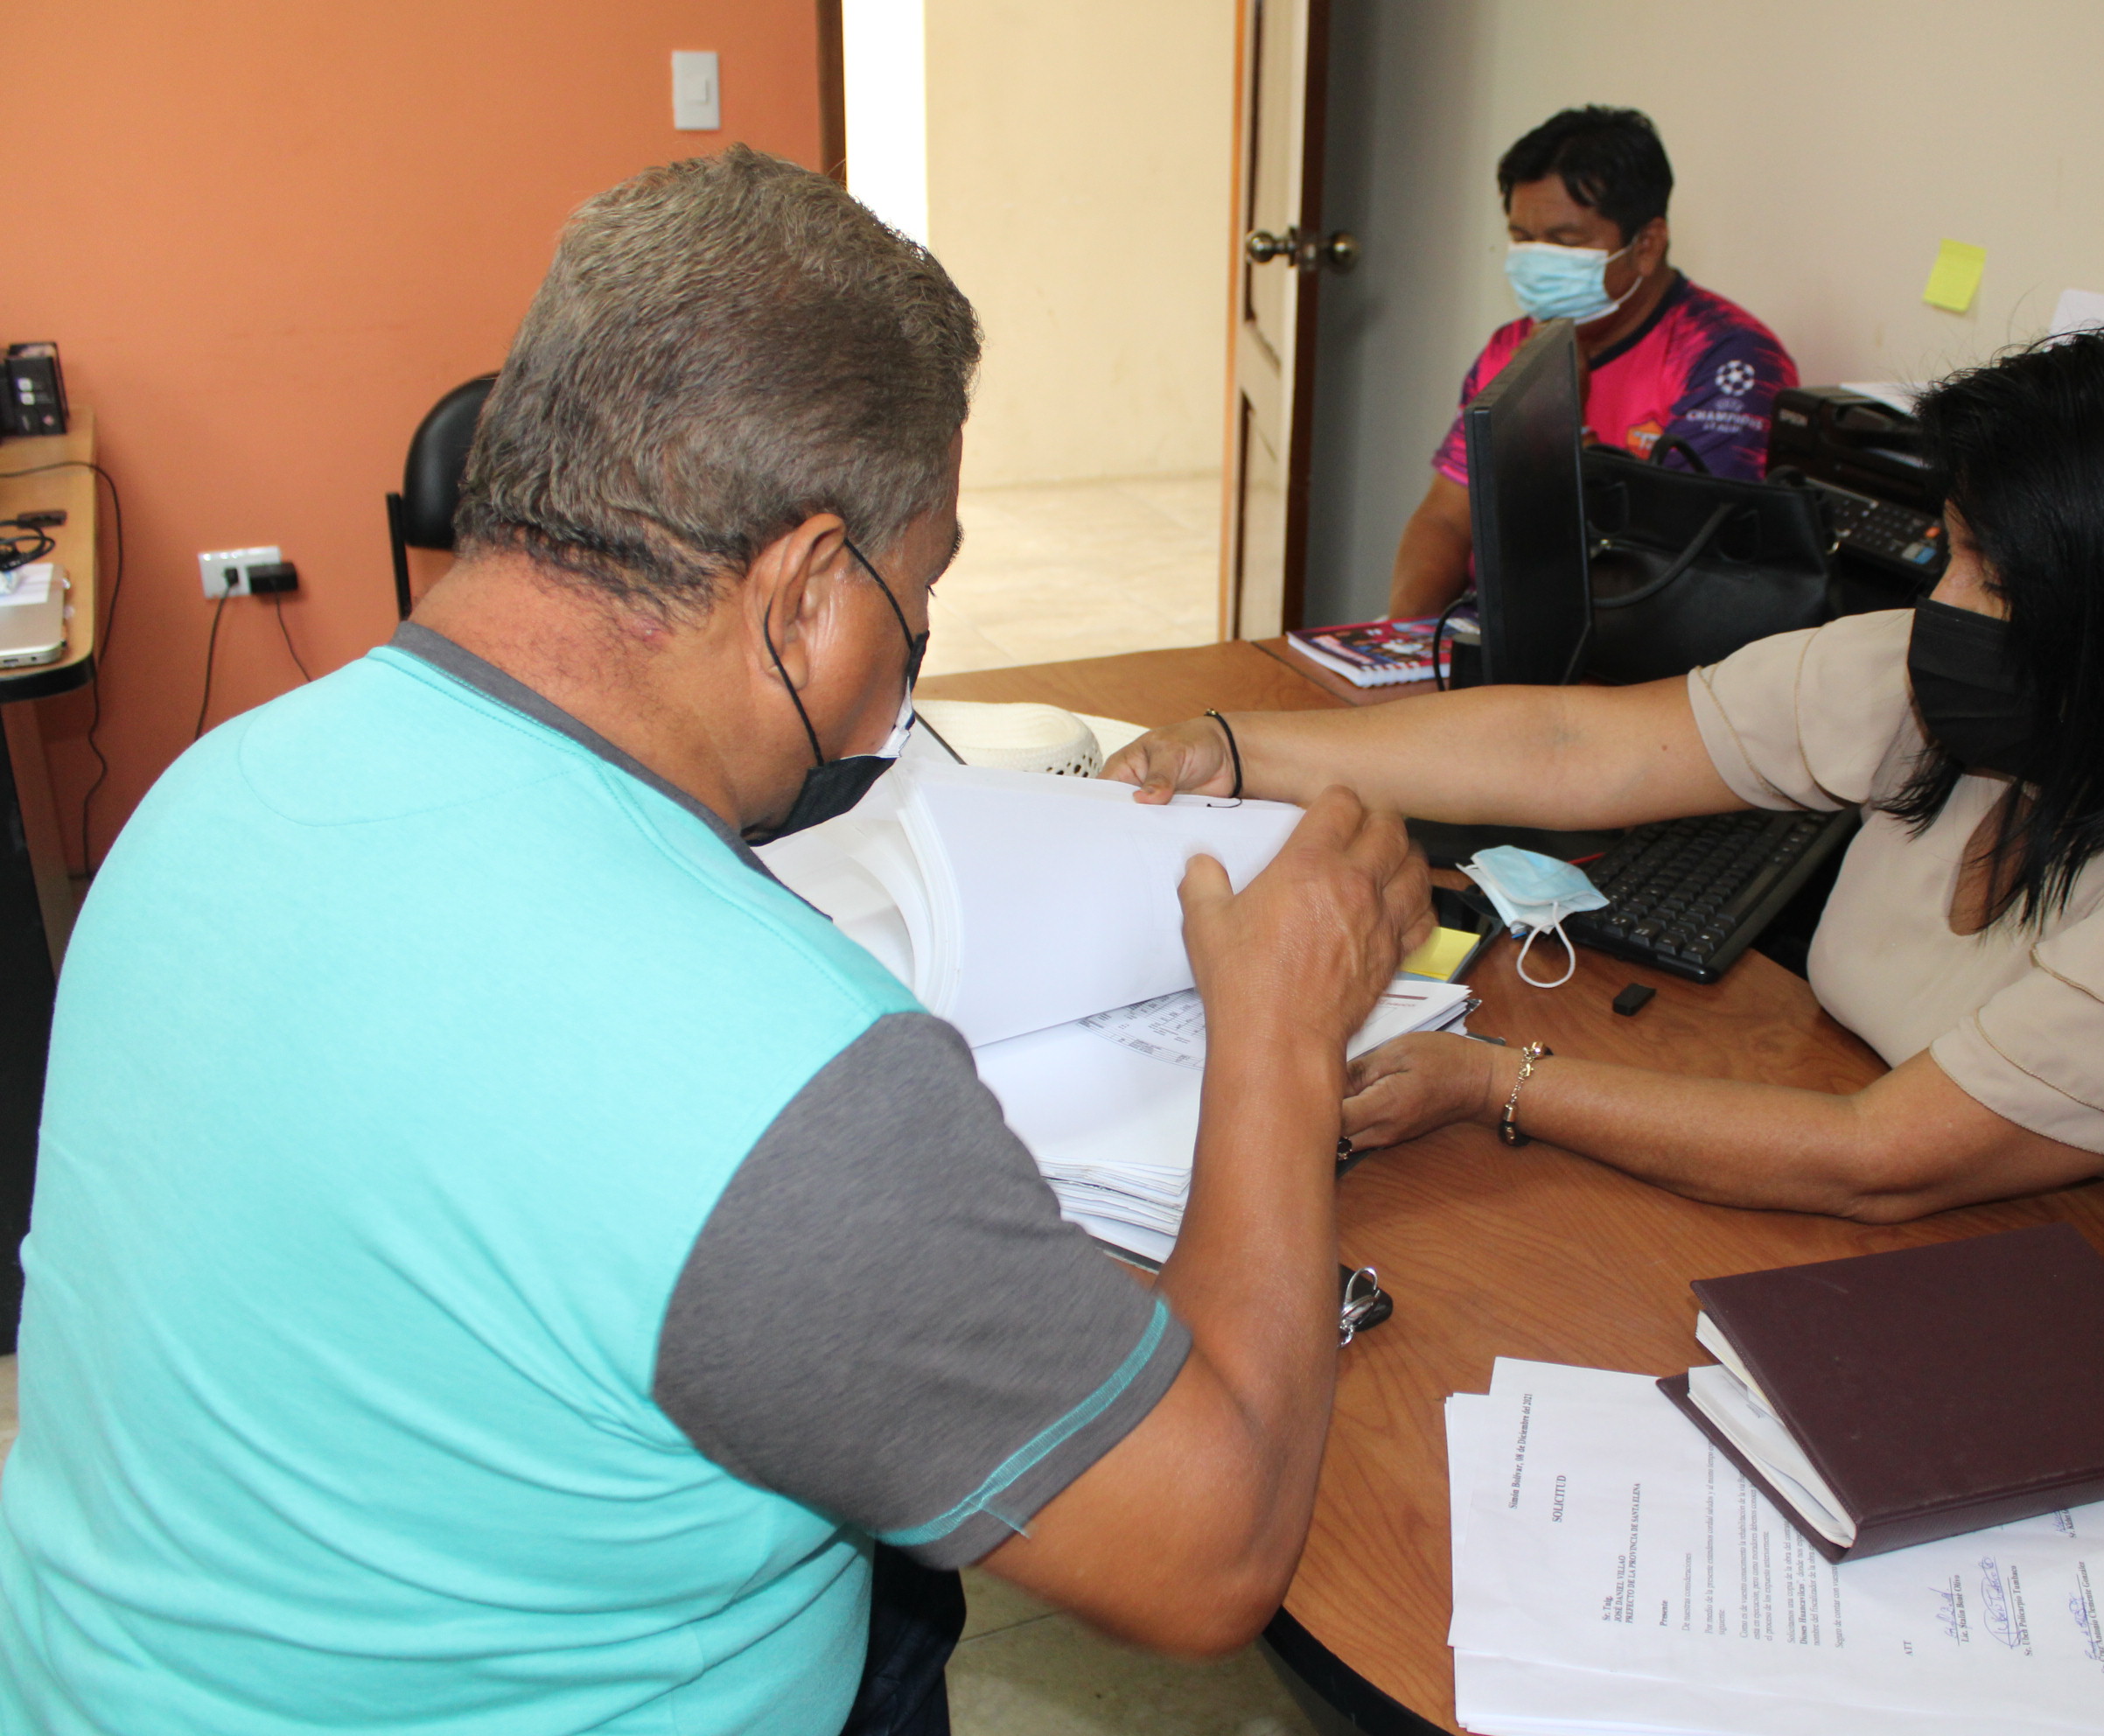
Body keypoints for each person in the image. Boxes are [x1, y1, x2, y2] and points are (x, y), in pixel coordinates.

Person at [0, 147, 1430, 1735]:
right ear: (806, 589)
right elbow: (1212, 1554)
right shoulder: (775, 1070)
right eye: (920, 588)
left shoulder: (205, 795)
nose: (912, 648)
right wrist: (1281, 1026)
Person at [1117, 329, 2104, 1289]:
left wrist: (1492, 1081)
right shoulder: (2002, 692)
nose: (1942, 602)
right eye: (1954, 546)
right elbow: (1576, 745)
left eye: (1993, 575)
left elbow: (1873, 1159)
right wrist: (1236, 748)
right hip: (1927, 1235)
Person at [1387, 105, 1798, 621]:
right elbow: (1446, 521)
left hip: (1633, 641)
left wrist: (1564, 423)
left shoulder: (1726, 359)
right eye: (1522, 238)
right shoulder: (1512, 346)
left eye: (1564, 241)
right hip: (1492, 628)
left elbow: (1677, 566)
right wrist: (1399, 638)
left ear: (1646, 245)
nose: (1537, 261)